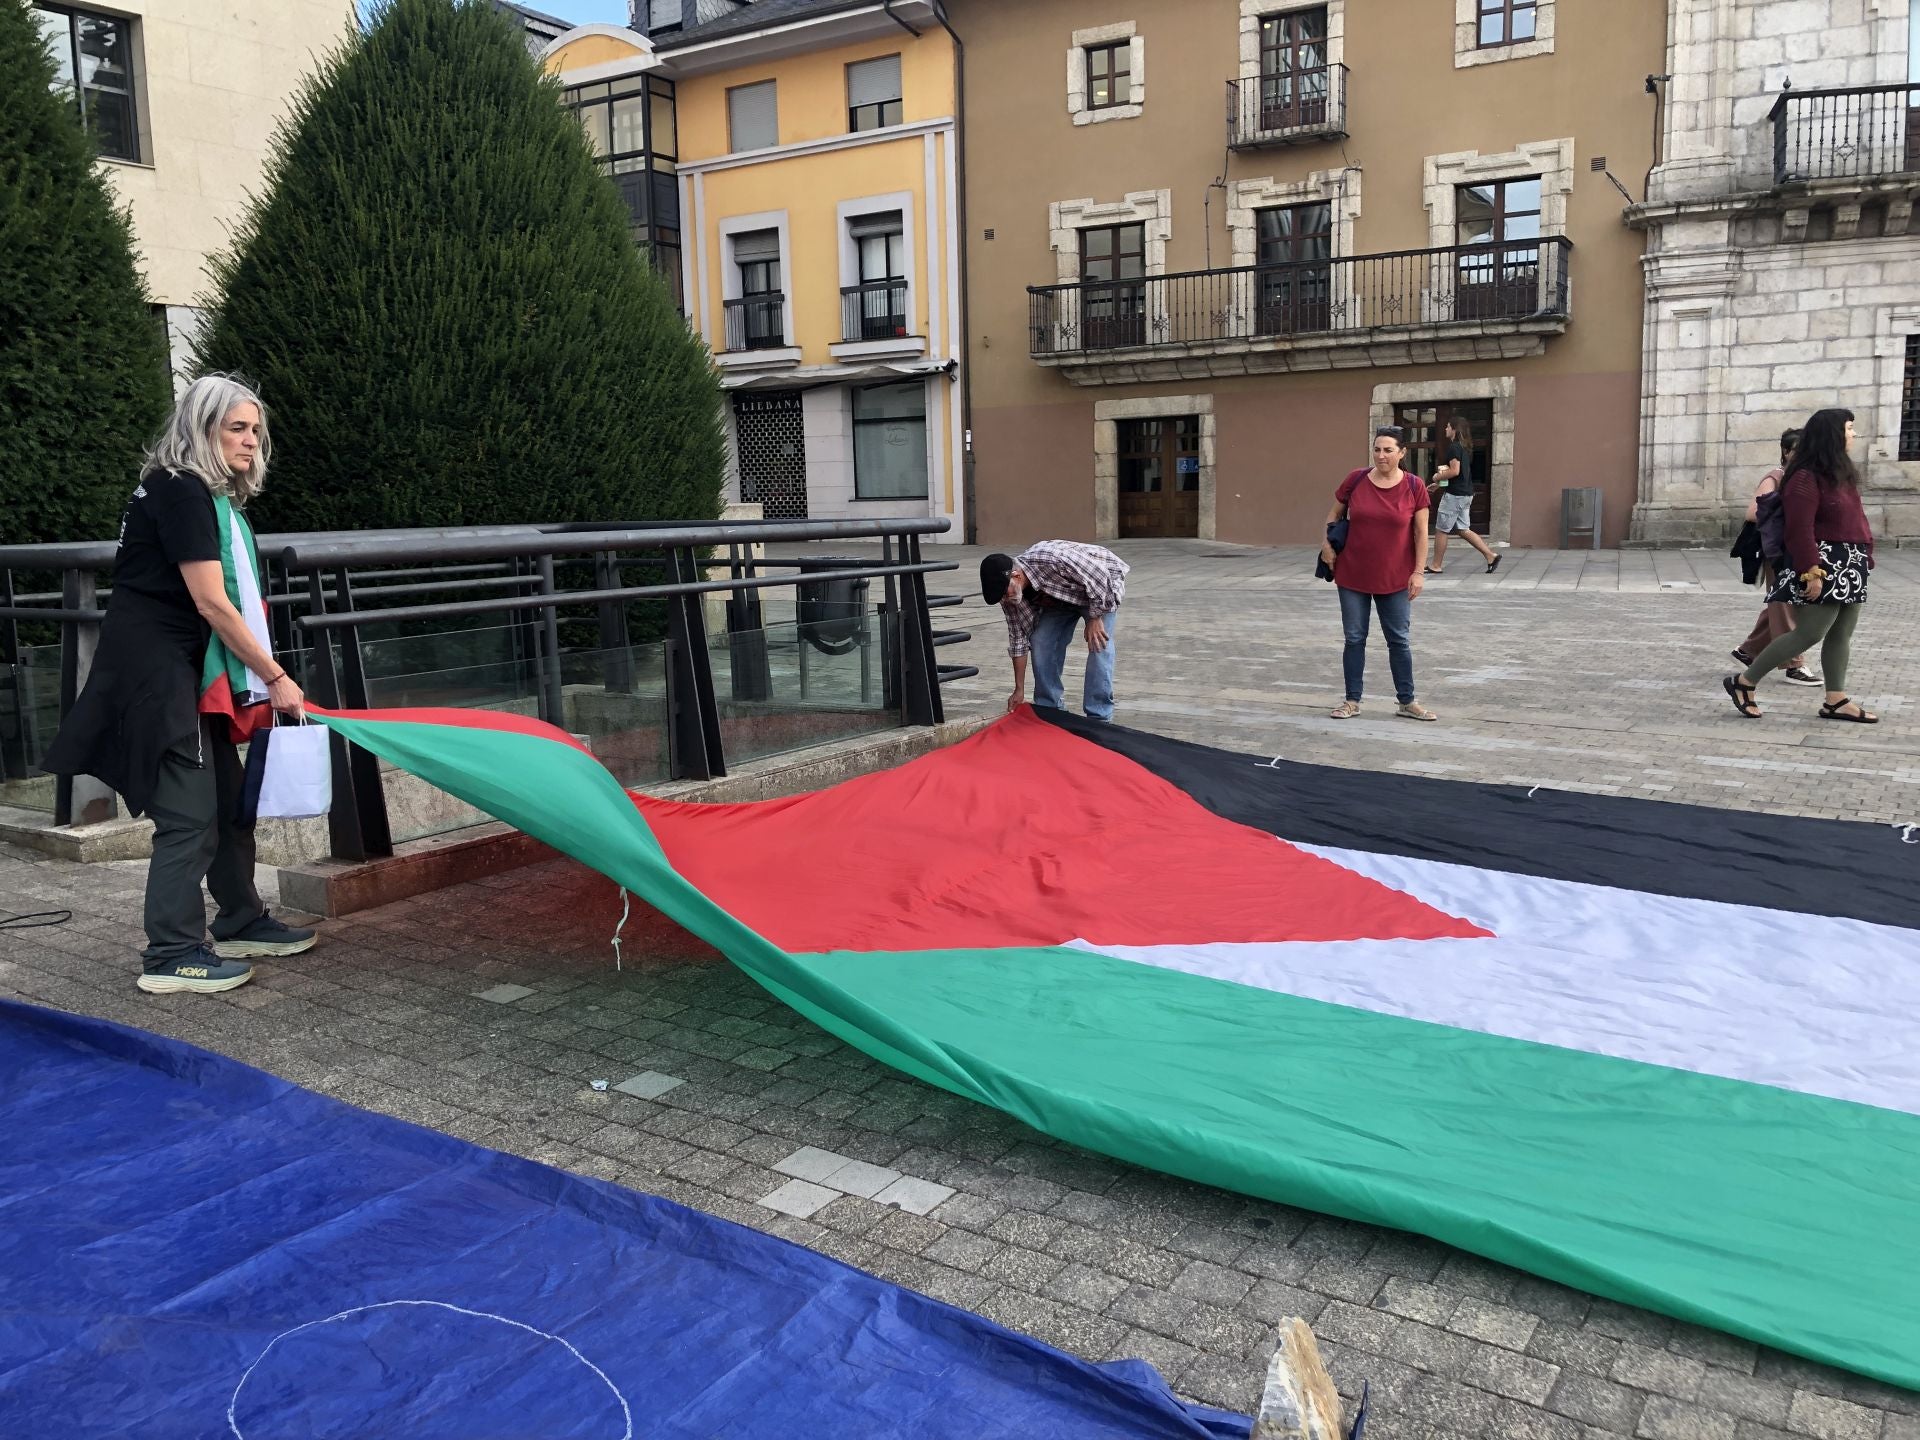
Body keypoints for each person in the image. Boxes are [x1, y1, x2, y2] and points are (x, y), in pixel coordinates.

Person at [43, 375, 317, 995]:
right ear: (202, 428)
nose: (251, 443)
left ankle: (241, 918)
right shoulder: (181, 492)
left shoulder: (187, 491)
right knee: (190, 816)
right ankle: (170, 954)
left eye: (255, 431)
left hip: (187, 670)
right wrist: (275, 676)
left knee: (225, 799)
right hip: (157, 675)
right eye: (237, 429)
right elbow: (213, 603)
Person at [1723, 408, 1877, 723]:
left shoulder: (1842, 472)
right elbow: (1799, 528)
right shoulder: (1805, 477)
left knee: (1842, 633)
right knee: (1809, 632)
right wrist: (1811, 571)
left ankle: (1836, 699)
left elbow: (1856, 518)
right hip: (1821, 563)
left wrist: (1866, 554)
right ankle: (1744, 682)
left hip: (1851, 561)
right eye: (1849, 428)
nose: (1854, 434)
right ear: (1831, 433)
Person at [1321, 428, 1437, 721]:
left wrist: (1418, 572)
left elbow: (1421, 532)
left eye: (1388, 450)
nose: (1381, 455)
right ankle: (1351, 701)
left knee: (1399, 639)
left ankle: (1407, 701)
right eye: (1377, 449)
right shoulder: (1356, 479)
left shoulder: (1414, 486)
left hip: (1396, 576)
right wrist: (1326, 545)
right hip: (1353, 573)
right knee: (1354, 638)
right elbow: (1334, 514)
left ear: (1401, 453)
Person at [980, 540, 1128, 722]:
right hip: (1062, 600)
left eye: (1005, 592)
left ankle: (1099, 716)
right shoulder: (1011, 596)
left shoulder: (1050, 560)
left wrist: (1096, 617)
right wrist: (1019, 689)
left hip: (1100, 589)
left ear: (1016, 576)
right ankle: (1050, 709)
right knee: (1040, 641)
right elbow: (1018, 640)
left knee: (1099, 644)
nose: (1005, 598)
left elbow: (1099, 575)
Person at [1730, 428, 1820, 686]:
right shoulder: (1776, 477)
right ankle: (1794, 665)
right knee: (1786, 604)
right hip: (1779, 551)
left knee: (1788, 605)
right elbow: (1752, 512)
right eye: (1799, 450)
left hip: (1800, 548)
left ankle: (1748, 651)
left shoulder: (1805, 478)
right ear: (1786, 451)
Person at [1424, 415, 1500, 575]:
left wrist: (1436, 477)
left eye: (1447, 426)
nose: (1445, 429)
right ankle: (1491, 555)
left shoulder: (1453, 448)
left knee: (1441, 530)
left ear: (1454, 429)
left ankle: (1436, 565)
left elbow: (1454, 471)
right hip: (1465, 494)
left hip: (1455, 496)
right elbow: (1458, 474)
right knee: (1462, 529)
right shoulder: (1463, 448)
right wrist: (1438, 485)